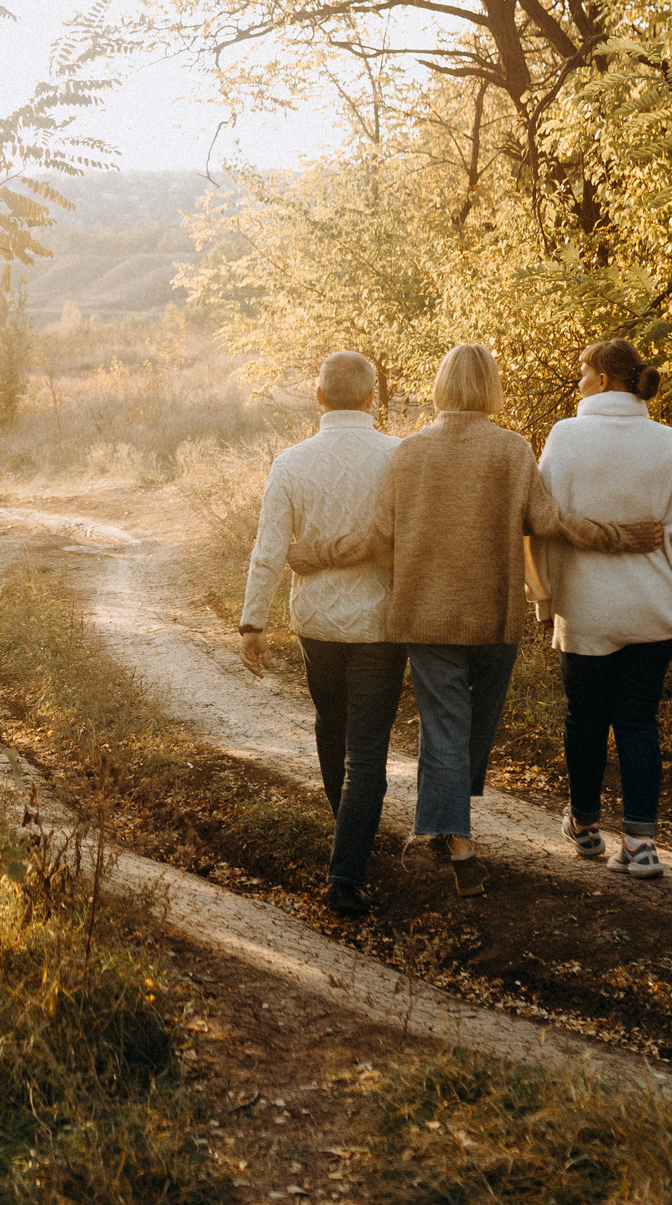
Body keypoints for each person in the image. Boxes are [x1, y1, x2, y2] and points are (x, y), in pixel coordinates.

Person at [288, 343, 664, 898]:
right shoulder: (511, 450)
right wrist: (623, 537)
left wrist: (316, 553)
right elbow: (551, 522)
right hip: (493, 613)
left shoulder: (411, 453)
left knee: (452, 731)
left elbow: (378, 540)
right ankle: (459, 844)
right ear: (490, 387)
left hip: (426, 614)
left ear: (440, 385)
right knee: (468, 731)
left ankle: (445, 825)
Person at [535, 338, 672, 879]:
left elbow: (544, 525)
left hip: (586, 609)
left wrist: (545, 597)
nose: (578, 382)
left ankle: (586, 825)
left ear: (605, 379)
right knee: (639, 722)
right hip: (654, 610)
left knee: (585, 718)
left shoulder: (565, 438)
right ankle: (640, 844)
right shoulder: (665, 441)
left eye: (582, 372)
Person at [238, 351, 400, 919]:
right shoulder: (398, 456)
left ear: (318, 396)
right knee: (369, 746)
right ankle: (347, 870)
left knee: (333, 724)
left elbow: (268, 549)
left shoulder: (291, 462)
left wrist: (253, 621)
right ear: (373, 397)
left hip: (319, 624)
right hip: (381, 623)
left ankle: (347, 837)